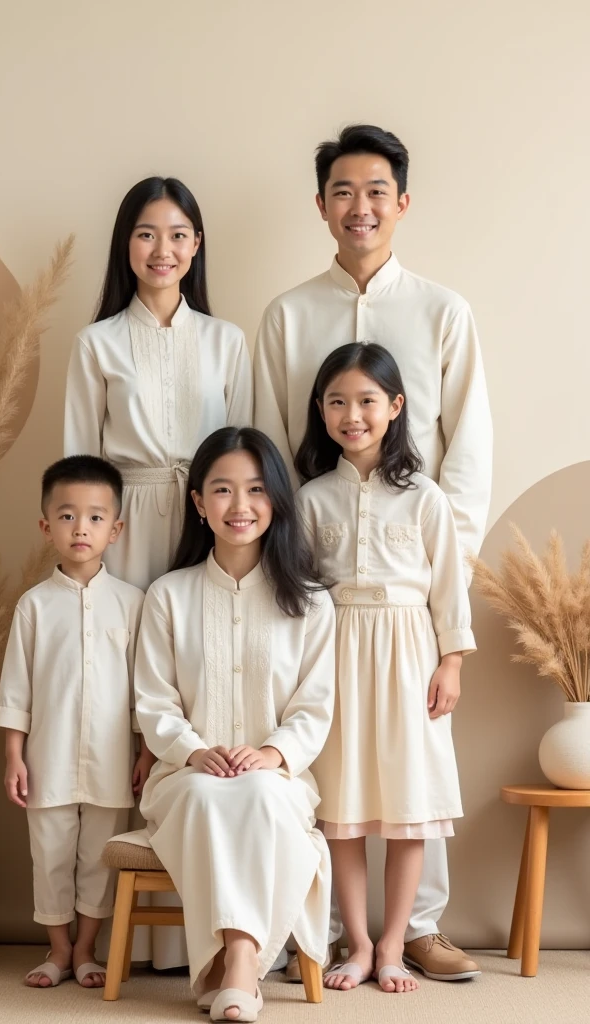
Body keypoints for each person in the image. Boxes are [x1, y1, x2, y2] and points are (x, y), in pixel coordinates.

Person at [254, 123, 491, 982]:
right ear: (321, 205)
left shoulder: (442, 310)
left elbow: (467, 446)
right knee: (341, 775)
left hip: (412, 594)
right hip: (326, 593)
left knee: (416, 771)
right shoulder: (288, 314)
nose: (361, 207)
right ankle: (323, 927)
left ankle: (415, 929)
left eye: (376, 191)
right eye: (343, 192)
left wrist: (444, 580)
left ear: (402, 201)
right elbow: (274, 449)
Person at [114, 427, 335, 1022]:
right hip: (185, 777)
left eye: (257, 489)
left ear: (277, 500)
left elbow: (314, 708)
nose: (240, 506)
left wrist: (272, 754)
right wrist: (192, 751)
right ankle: (243, 967)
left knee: (261, 792)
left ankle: (236, 962)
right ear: (198, 503)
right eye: (222, 490)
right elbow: (153, 702)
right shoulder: (168, 595)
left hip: (278, 776)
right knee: (212, 798)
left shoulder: (312, 603)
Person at [296, 343, 475, 993]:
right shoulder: (311, 499)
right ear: (320, 411)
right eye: (337, 401)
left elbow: (449, 589)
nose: (353, 414)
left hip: (409, 654)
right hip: (337, 654)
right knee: (341, 805)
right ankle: (359, 942)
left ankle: (397, 943)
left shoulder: (425, 497)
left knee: (409, 805)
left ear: (396, 407)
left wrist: (450, 662)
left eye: (368, 401)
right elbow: (301, 595)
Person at [0, 456, 148, 989]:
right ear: (46, 525)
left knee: (99, 859)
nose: (82, 527)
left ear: (116, 528)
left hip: (112, 760)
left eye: (96, 517)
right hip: (47, 759)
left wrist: (145, 752)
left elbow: (143, 691)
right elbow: (17, 689)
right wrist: (14, 755)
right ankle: (57, 951)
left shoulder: (132, 604)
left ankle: (86, 951)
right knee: (51, 857)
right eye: (67, 516)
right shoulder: (33, 606)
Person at [64, 176, 252, 594]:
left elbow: (242, 455)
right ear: (125, 243)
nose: (162, 250)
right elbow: (79, 462)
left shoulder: (228, 341)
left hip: (207, 519)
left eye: (178, 235)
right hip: (124, 523)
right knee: (125, 646)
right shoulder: (95, 344)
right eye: (146, 234)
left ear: (196, 244)